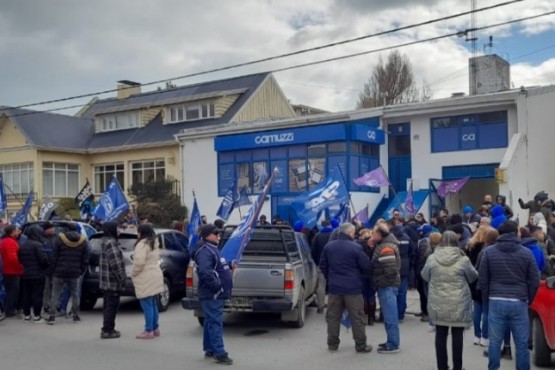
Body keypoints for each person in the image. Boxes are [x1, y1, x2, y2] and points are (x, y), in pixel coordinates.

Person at [479, 220, 540, 370]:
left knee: (494, 341)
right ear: (515, 233)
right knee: (521, 343)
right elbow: (535, 280)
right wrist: (528, 298)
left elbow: (483, 279)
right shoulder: (527, 253)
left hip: (496, 299)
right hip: (519, 300)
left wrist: (487, 297)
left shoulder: (489, 252)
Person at [422, 231, 478, 370]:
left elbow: (424, 275)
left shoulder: (432, 258)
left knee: (440, 334)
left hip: (438, 301)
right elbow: (472, 277)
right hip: (458, 301)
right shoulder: (463, 259)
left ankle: (442, 366)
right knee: (457, 335)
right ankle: (457, 367)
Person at [319, 222, 372, 353]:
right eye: (353, 233)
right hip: (353, 288)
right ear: (350, 233)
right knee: (357, 317)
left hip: (335, 288)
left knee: (333, 316)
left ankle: (332, 344)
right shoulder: (356, 247)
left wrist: (331, 278)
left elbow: (323, 266)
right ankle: (361, 345)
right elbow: (366, 266)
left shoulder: (329, 247)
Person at [194, 224, 233, 365]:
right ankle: (220, 353)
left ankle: (210, 348)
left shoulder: (212, 248)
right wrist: (217, 287)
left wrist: (229, 265)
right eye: (215, 233)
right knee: (215, 322)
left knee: (210, 321)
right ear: (206, 235)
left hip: (214, 293)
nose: (218, 235)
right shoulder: (205, 250)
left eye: (219, 233)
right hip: (212, 294)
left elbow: (217, 265)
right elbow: (205, 271)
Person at [46, 223, 89, 324]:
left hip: (59, 271)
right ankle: (75, 315)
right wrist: (80, 270)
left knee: (55, 294)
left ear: (67, 230)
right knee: (75, 294)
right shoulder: (83, 241)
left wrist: (53, 269)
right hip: (75, 272)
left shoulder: (60, 240)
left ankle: (52, 316)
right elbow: (85, 258)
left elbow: (54, 256)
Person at [371, 223, 401, 354]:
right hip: (387, 285)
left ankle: (393, 344)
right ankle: (391, 341)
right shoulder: (383, 245)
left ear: (380, 234)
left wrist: (379, 281)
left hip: (387, 286)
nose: (372, 236)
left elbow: (390, 271)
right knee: (390, 316)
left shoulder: (386, 248)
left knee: (390, 317)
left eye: (374, 233)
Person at [132, 223, 164, 339]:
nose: (137, 233)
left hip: (145, 275)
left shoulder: (142, 244)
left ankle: (148, 330)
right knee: (153, 303)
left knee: (146, 304)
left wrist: (134, 273)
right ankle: (155, 328)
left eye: (138, 231)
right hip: (155, 273)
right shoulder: (154, 243)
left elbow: (139, 262)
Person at [99, 221, 126, 339]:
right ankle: (107, 330)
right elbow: (116, 263)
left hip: (105, 281)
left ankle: (108, 328)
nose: (119, 231)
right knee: (112, 306)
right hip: (112, 281)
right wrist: (122, 278)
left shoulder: (104, 242)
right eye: (117, 228)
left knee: (108, 305)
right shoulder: (111, 243)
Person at [18, 225, 49, 322]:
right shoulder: (38, 245)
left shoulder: (22, 245)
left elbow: (20, 259)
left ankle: (27, 315)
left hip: (25, 273)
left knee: (26, 295)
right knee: (37, 295)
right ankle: (37, 316)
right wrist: (46, 265)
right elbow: (43, 260)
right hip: (38, 274)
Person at [310, 220, 333, 314]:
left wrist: (317, 262)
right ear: (329, 225)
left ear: (322, 226)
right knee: (333, 286)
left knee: (321, 286)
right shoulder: (334, 235)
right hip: (333, 265)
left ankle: (320, 306)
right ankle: (333, 307)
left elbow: (313, 251)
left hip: (321, 264)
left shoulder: (317, 236)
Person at [0, 225, 23, 317]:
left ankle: (9, 309)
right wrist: (20, 266)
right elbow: (12, 258)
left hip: (9, 270)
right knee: (12, 292)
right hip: (12, 271)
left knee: (10, 291)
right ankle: (10, 310)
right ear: (12, 232)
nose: (19, 232)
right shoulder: (10, 242)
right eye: (17, 231)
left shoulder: (6, 241)